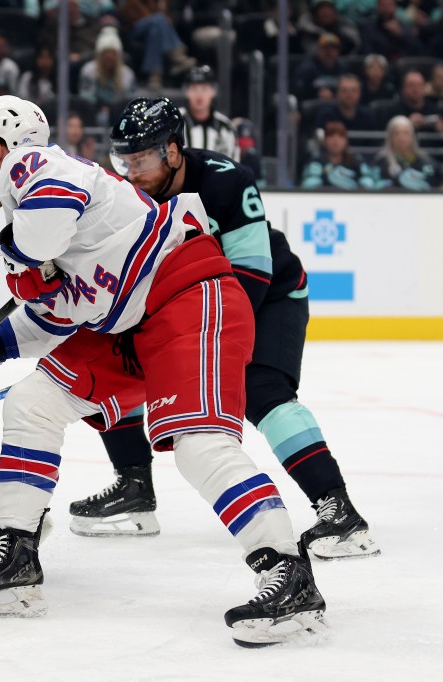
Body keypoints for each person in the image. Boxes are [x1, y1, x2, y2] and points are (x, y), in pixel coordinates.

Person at [0, 95, 327, 646]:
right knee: (33, 402)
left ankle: (289, 575)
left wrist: (21, 260)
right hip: (132, 321)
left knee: (200, 446)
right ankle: (18, 558)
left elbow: (42, 239)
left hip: (187, 295)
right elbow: (55, 318)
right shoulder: (30, 206)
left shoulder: (36, 168)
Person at [68, 97, 379, 564]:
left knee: (262, 389)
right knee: (112, 358)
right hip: (186, 300)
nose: (131, 173)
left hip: (269, 295)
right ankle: (134, 486)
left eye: (142, 160)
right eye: (123, 161)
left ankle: (339, 511)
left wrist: (211, 339)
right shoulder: (126, 192)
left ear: (173, 151)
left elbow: (253, 273)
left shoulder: (225, 179)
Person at [78, 26, 137, 127]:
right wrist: (100, 106)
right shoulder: (88, 71)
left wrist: (113, 109)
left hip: (119, 112)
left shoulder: (127, 74)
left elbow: (130, 99)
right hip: (95, 110)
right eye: (105, 53)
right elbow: (85, 96)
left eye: (112, 53)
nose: (109, 57)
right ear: (100, 55)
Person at [180, 64, 238, 161]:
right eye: (194, 89)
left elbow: (233, 167)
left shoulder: (225, 127)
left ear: (213, 91)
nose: (199, 95)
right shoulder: (173, 122)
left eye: (204, 89)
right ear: (186, 92)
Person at [369, 115, 441, 190]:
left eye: (405, 133)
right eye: (396, 133)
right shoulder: (382, 161)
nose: (401, 138)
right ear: (390, 137)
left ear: (412, 137)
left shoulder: (424, 160)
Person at [301, 119, 376, 189]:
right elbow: (309, 185)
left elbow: (368, 182)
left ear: (346, 141)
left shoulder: (356, 161)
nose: (335, 140)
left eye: (340, 136)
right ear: (324, 141)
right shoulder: (316, 162)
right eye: (331, 136)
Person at [314, 73, 379, 132]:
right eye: (344, 90)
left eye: (353, 91)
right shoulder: (326, 116)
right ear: (337, 93)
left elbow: (375, 143)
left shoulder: (369, 116)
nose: (349, 95)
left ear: (360, 93)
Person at [293, 32, 347, 102]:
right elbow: (299, 94)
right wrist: (316, 94)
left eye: (333, 48)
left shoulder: (344, 69)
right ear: (318, 50)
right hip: (313, 107)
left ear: (338, 51)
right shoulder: (306, 69)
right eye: (325, 48)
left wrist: (335, 95)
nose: (329, 52)